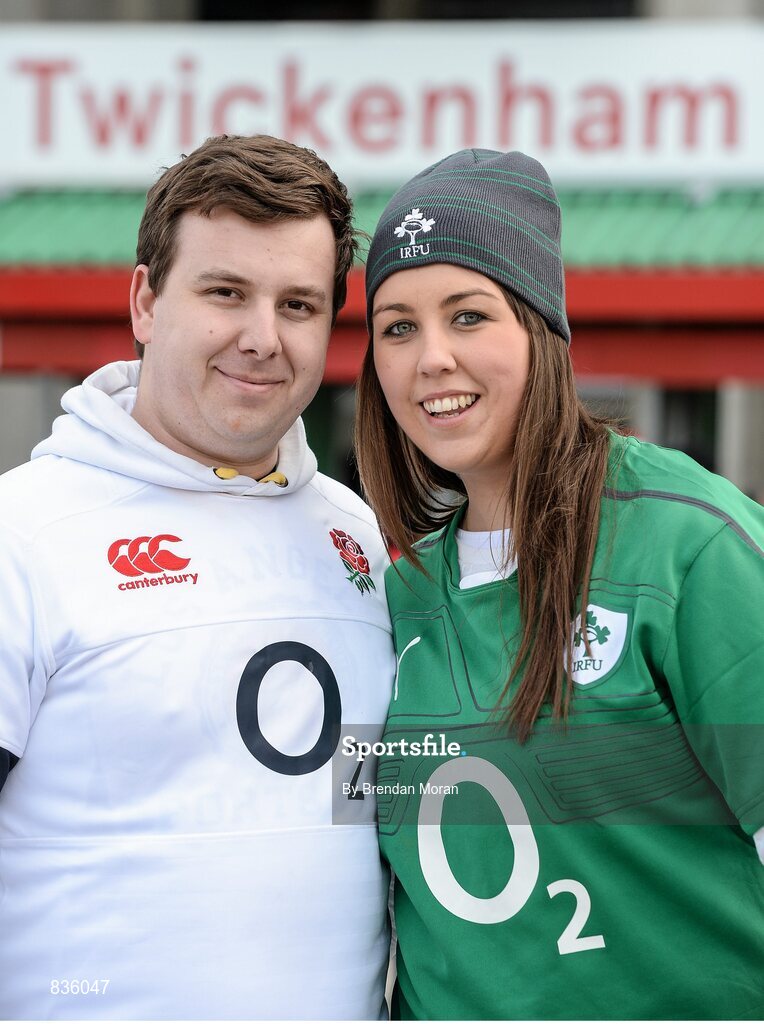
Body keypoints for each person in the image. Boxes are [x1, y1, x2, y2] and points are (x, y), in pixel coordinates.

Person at [355, 148, 764, 1020]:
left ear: (542, 330)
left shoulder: (683, 543)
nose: (431, 359)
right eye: (397, 327)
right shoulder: (401, 591)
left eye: (469, 317)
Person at [0, 134, 395, 1020]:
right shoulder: (21, 534)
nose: (262, 337)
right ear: (145, 300)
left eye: (298, 304)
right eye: (225, 293)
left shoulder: (356, 533)